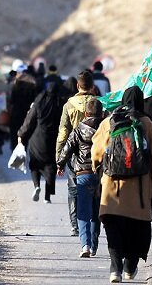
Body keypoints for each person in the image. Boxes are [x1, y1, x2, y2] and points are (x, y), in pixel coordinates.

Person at [91, 86, 152, 283]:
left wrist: (97, 169)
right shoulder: (146, 123)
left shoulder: (109, 121)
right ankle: (129, 267)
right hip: (140, 189)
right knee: (137, 229)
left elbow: (96, 153)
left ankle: (115, 268)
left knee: (113, 228)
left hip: (112, 188)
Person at [57, 98, 104, 258]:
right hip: (101, 175)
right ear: (102, 113)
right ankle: (95, 245)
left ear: (85, 113)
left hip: (82, 174)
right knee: (97, 212)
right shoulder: (105, 128)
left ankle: (85, 245)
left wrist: (60, 164)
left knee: (83, 211)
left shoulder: (77, 130)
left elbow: (66, 149)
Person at [56, 70, 98, 237]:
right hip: (95, 152)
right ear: (92, 86)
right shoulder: (97, 103)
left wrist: (59, 157)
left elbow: (63, 132)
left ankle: (75, 225)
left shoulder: (69, 104)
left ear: (77, 85)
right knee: (95, 190)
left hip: (74, 152)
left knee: (73, 190)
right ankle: (93, 224)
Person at [18, 80, 64, 203]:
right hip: (53, 140)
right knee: (50, 167)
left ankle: (37, 185)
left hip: (37, 139)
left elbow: (28, 122)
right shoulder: (60, 105)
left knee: (35, 164)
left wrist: (21, 134)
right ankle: (47, 197)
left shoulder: (39, 104)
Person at [9, 71, 37, 151]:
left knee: (14, 134)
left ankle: (14, 150)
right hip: (27, 114)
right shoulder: (32, 88)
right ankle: (23, 150)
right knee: (25, 133)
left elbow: (12, 100)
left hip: (16, 113)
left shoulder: (16, 87)